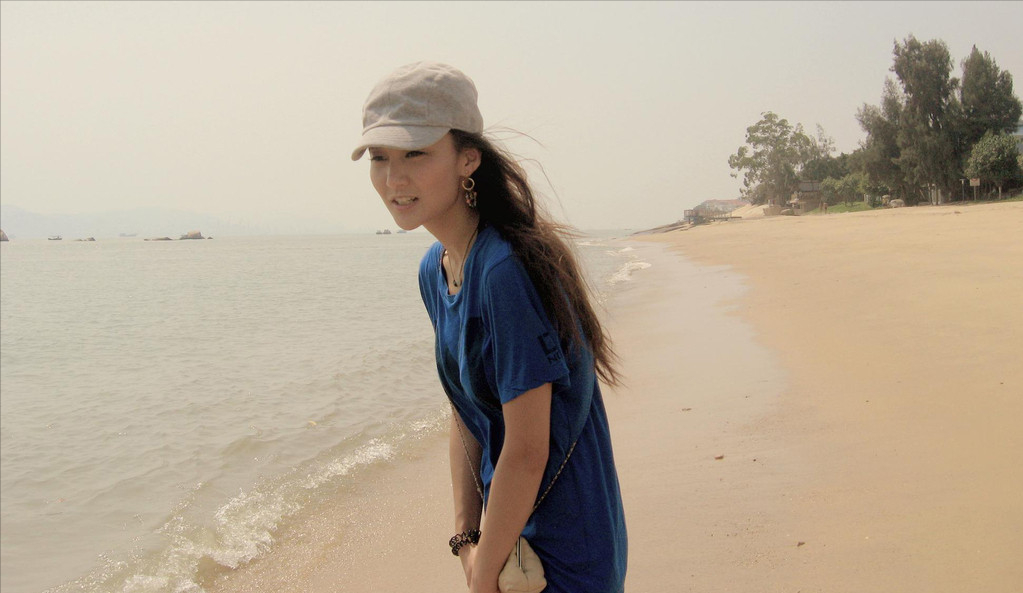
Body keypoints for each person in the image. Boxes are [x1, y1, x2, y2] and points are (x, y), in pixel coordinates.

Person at [352, 61, 627, 593]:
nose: (394, 178)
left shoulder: (505, 271)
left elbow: (526, 450)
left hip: (565, 551)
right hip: (505, 542)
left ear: (468, 158)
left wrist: (482, 576)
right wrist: (466, 538)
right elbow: (465, 412)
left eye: (415, 153)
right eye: (379, 157)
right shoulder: (435, 270)